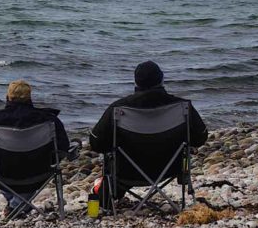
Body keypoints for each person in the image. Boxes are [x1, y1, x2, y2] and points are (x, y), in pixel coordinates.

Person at [89, 61, 208, 205]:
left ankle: (99, 197)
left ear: (136, 82)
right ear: (161, 79)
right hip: (171, 168)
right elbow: (200, 137)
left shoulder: (118, 109)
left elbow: (96, 143)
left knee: (112, 161)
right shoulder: (182, 107)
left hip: (127, 170)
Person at [0, 80, 74, 218]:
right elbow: (63, 147)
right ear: (29, 97)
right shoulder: (49, 120)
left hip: (4, 174)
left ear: (8, 97)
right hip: (39, 173)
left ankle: (16, 204)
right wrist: (48, 159)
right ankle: (19, 204)